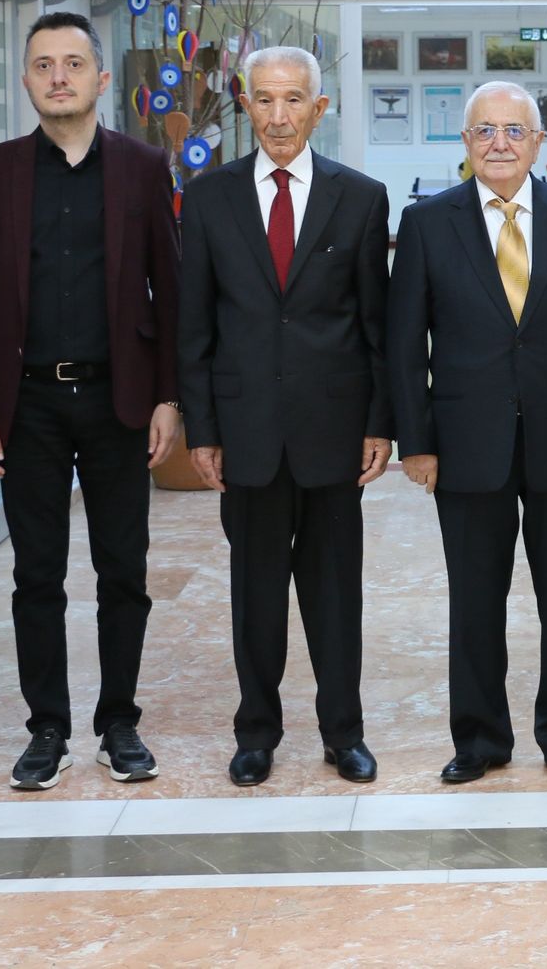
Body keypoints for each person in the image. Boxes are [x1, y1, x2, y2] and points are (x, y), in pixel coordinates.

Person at [0, 12, 181, 791]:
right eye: (44, 64)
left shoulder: (143, 168)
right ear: (25, 80)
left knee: (124, 572)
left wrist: (169, 396)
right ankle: (47, 728)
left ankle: (119, 724)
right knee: (37, 575)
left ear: (100, 80)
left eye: (73, 64)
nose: (58, 77)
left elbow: (171, 289)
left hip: (120, 399)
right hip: (28, 405)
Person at [389, 82, 547, 786]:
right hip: (466, 442)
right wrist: (416, 442)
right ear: (466, 142)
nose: (500, 143)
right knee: (474, 600)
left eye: (514, 130)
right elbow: (404, 344)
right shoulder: (427, 223)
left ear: (538, 142)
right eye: (485, 131)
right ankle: (479, 738)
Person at [178, 45, 391, 787]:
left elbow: (377, 324)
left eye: (293, 99)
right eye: (264, 99)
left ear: (319, 109)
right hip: (248, 434)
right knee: (256, 596)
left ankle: (344, 732)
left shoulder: (359, 198)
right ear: (245, 104)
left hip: (334, 431)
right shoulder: (208, 198)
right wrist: (204, 429)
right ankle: (256, 733)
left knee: (335, 595)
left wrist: (380, 423)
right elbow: (194, 326)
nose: (278, 116)